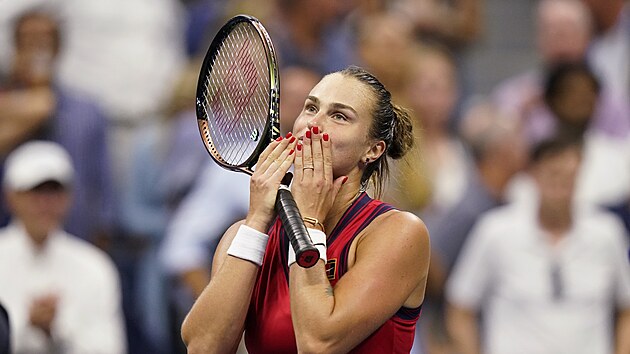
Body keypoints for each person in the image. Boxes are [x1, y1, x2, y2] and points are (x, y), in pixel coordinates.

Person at [181, 66, 430, 353]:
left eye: (339, 116)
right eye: (311, 108)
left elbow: (317, 344)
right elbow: (202, 347)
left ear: (372, 150)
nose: (313, 125)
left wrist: (309, 221)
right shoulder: (244, 235)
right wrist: (257, 220)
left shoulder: (400, 233)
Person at [446, 134, 630, 354]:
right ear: (534, 174)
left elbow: (625, 308)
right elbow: (460, 307)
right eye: (553, 175)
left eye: (568, 177)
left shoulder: (607, 234)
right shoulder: (496, 232)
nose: (560, 186)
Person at [0, 8, 114, 244]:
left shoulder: (87, 112)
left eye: (45, 39)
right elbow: (41, 104)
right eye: (28, 40)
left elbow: (102, 191)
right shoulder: (6, 105)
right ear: (15, 47)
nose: (38, 47)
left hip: (76, 242)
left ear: (59, 47)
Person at [0, 141, 125, 353]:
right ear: (11, 197)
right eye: (34, 192)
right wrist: (29, 326)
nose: (44, 204)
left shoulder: (94, 266)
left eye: (54, 192)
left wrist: (55, 331)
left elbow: (110, 347)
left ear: (69, 198)